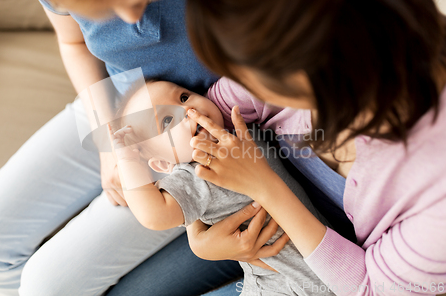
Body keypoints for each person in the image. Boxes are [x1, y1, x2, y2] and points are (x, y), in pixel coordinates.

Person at [0, 0, 245, 295]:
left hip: (201, 132)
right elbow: (72, 42)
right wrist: (108, 140)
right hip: (118, 97)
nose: (129, 17)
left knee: (47, 288)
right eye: (102, 6)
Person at [181, 0, 446, 295]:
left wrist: (268, 188)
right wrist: (196, 230)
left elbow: (371, 289)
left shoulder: (435, 192)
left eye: (245, 72)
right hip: (259, 239)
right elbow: (211, 112)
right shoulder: (308, 35)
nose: (238, 81)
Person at [109, 79, 333, 295]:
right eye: (167, 121)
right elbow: (154, 216)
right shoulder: (195, 174)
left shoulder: (238, 129)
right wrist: (128, 161)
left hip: (325, 260)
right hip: (279, 284)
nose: (188, 110)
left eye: (184, 97)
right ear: (163, 163)